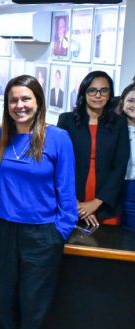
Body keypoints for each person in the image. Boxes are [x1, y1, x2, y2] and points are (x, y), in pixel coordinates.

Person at [0, 75, 77, 329]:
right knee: (4, 299)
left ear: (38, 102)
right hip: (3, 229)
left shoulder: (58, 138)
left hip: (42, 234)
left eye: (26, 99)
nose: (19, 105)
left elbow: (67, 191)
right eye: (13, 100)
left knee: (33, 303)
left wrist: (59, 233)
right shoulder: (0, 136)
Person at [57, 71, 130, 227]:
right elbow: (59, 163)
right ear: (84, 92)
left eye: (104, 90)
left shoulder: (119, 123)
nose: (98, 95)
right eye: (92, 90)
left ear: (110, 94)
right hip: (72, 198)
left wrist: (96, 202)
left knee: (107, 241)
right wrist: (73, 201)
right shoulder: (67, 120)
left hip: (106, 200)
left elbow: (120, 166)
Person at [117, 83, 135, 230]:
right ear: (122, 102)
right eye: (131, 100)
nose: (134, 105)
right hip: (113, 187)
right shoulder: (111, 128)